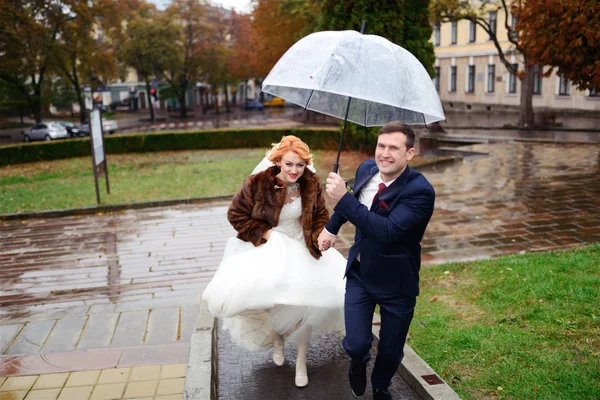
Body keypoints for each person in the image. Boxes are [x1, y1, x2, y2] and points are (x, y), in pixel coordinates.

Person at [202, 135, 347, 388]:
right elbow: (235, 215)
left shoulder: (311, 184)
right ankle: (278, 338)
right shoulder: (257, 184)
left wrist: (322, 234)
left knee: (305, 304)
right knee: (278, 303)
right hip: (271, 248)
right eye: (289, 164)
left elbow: (321, 215)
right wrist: (264, 233)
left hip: (304, 249)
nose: (294, 171)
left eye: (300, 165)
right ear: (278, 160)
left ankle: (301, 363)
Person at [319, 121, 435, 400]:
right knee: (356, 343)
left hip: (398, 281)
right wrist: (331, 228)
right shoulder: (367, 169)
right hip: (361, 272)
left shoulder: (420, 192)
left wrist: (342, 199)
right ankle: (358, 362)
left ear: (410, 153)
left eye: (393, 148)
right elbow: (356, 202)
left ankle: (381, 386)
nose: (384, 153)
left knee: (392, 350)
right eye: (381, 146)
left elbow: (388, 231)